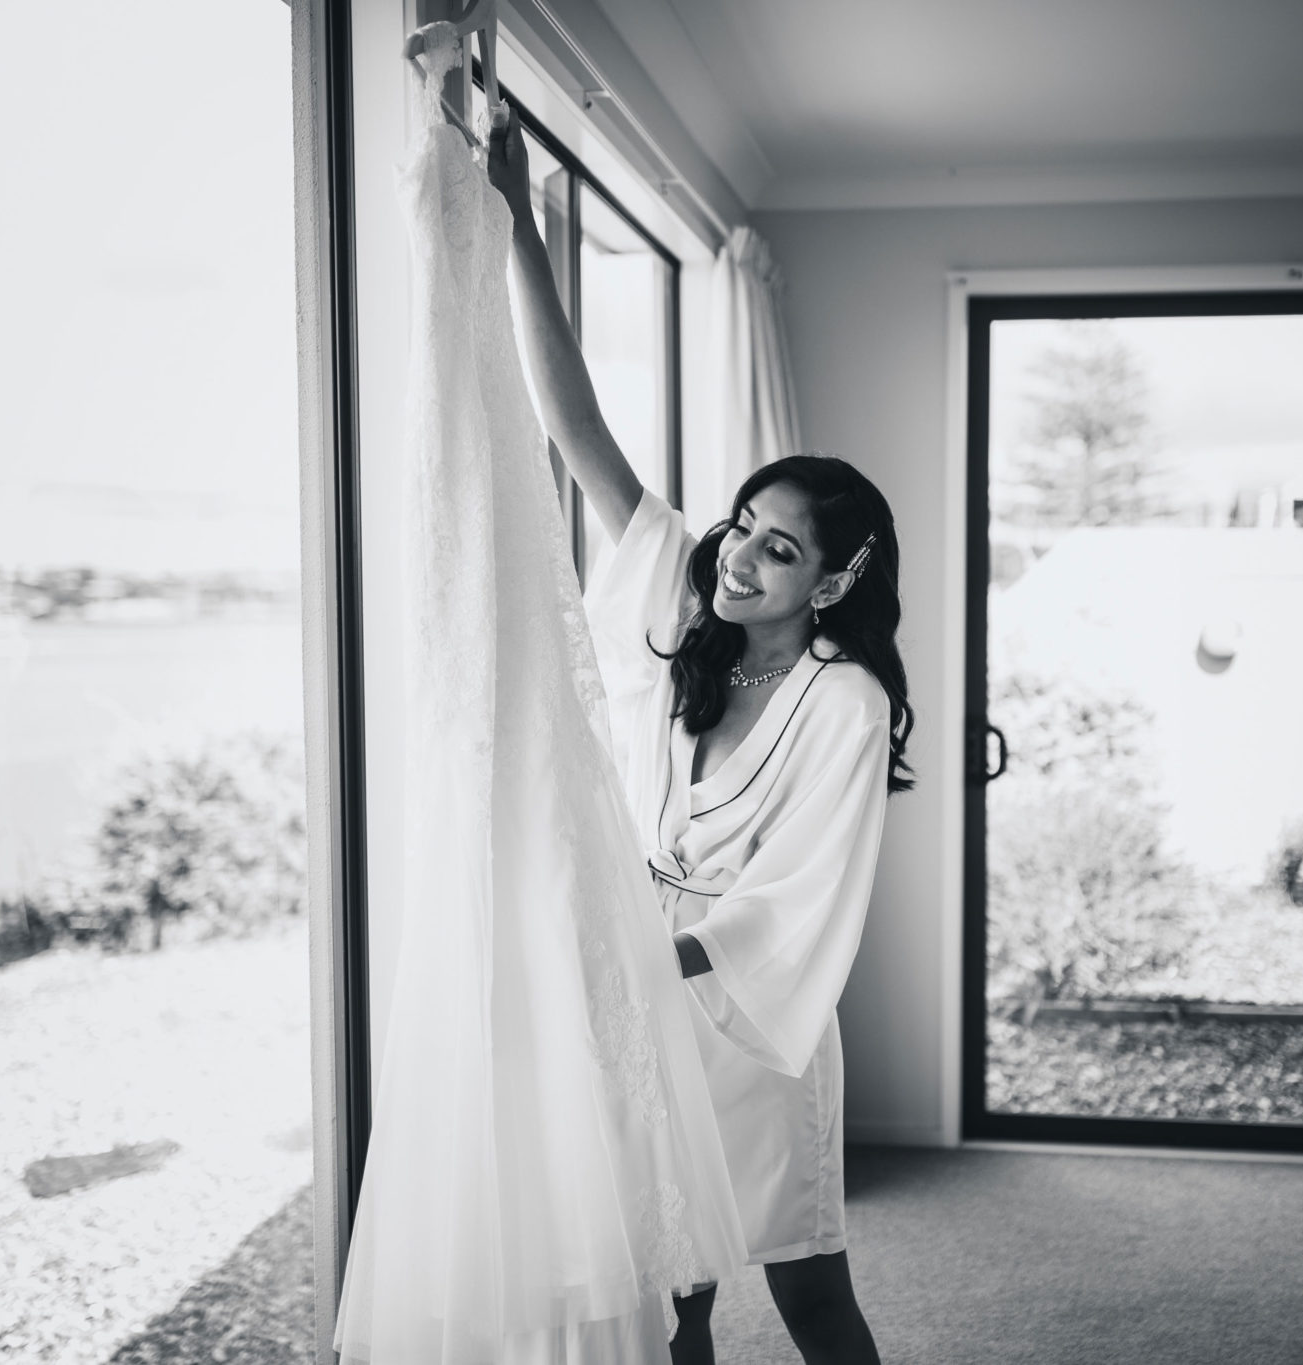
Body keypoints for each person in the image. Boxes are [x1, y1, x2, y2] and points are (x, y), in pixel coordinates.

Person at [488, 109, 916, 1365]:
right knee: (670, 1291)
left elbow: (795, 901)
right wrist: (517, 228)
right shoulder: (685, 600)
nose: (739, 556)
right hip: (640, 1003)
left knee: (810, 1292)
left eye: (779, 550)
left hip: (749, 1026)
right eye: (741, 525)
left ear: (829, 584)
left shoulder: (844, 700)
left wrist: (639, 949)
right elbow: (576, 435)